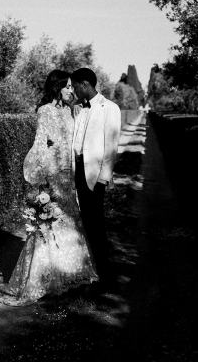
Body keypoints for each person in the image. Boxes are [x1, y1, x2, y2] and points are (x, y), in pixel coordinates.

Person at [0, 69, 98, 306]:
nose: (71, 90)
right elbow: (40, 144)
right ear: (56, 87)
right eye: (67, 86)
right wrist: (40, 179)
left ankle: (69, 273)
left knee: (70, 223)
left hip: (68, 176)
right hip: (53, 175)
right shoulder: (45, 111)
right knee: (49, 224)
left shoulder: (72, 111)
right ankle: (44, 278)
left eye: (73, 86)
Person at [70, 67, 122, 282]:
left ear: (84, 84)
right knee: (85, 222)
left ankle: (106, 274)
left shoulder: (110, 108)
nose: (73, 91)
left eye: (74, 86)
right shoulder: (79, 109)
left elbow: (111, 147)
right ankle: (90, 271)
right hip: (79, 171)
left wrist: (103, 178)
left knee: (97, 224)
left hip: (95, 175)